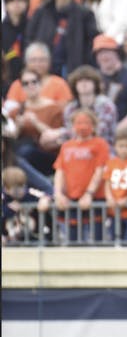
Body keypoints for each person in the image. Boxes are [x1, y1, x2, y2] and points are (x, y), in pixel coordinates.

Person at [25, 0, 99, 77]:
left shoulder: (84, 14)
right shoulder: (42, 12)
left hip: (74, 71)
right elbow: (29, 39)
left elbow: (91, 44)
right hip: (45, 71)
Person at [52, 109, 110, 242]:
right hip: (71, 198)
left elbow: (100, 170)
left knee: (97, 240)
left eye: (86, 122)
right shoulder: (66, 146)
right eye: (78, 123)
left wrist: (89, 193)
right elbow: (60, 171)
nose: (82, 126)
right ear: (72, 126)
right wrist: (58, 193)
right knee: (73, 240)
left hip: (94, 198)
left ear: (94, 126)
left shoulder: (100, 144)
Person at [10, 66, 64, 194]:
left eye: (34, 82)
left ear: (40, 84)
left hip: (48, 155)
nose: (30, 86)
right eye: (26, 83)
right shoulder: (16, 111)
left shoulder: (54, 108)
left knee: (24, 153)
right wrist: (18, 127)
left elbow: (58, 137)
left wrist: (36, 123)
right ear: (21, 87)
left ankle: (47, 189)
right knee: (18, 155)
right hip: (24, 157)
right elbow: (9, 140)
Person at [92, 35, 127, 137]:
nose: (103, 56)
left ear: (117, 53)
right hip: (95, 132)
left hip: (126, 131)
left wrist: (115, 131)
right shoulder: (92, 78)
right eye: (99, 53)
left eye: (107, 52)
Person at [61, 65, 118, 146]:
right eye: (80, 81)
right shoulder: (70, 108)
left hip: (103, 149)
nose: (84, 84)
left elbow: (99, 131)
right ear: (75, 85)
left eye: (88, 80)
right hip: (77, 149)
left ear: (95, 84)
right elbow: (69, 135)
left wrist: (60, 133)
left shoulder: (106, 105)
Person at [2, 165, 51, 245]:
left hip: (32, 237)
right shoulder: (4, 198)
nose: (21, 191)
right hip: (9, 239)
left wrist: (45, 199)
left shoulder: (29, 193)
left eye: (22, 186)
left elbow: (47, 195)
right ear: (6, 188)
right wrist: (7, 209)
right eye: (16, 189)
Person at [1, 0, 30, 85]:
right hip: (7, 75)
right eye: (12, 0)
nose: (16, 3)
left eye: (20, 0)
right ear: (6, 6)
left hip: (29, 73)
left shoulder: (32, 25)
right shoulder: (2, 28)